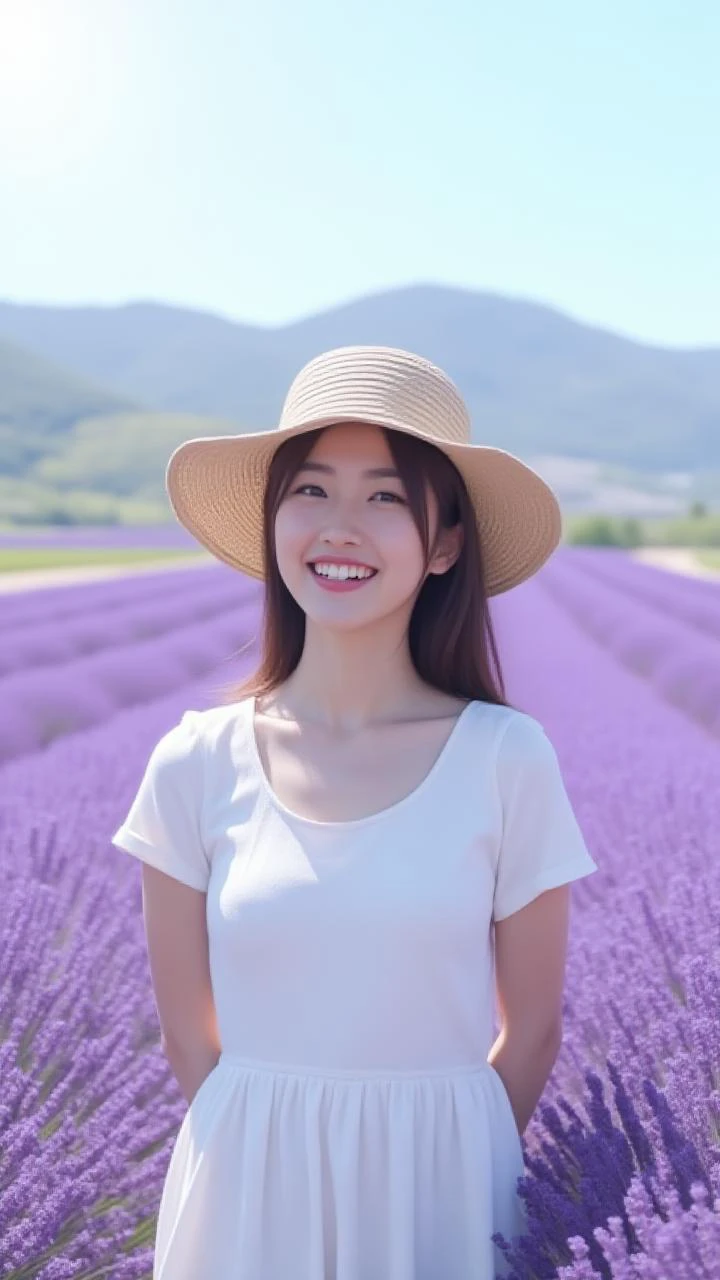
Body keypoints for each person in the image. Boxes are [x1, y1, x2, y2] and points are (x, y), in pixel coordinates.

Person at [111, 345, 599, 1279]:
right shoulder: (194, 762)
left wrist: (452, 1161)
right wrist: (269, 1153)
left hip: (443, 1190)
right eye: (311, 491)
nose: (341, 528)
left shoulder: (505, 758)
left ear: (445, 543)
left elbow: (532, 1031)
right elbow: (186, 1033)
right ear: (272, 523)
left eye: (384, 497)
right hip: (246, 1190)